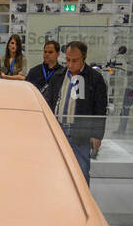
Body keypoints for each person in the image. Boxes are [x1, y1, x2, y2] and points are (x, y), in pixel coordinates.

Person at [41, 40, 107, 184]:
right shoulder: (59, 75)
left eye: (75, 60)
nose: (70, 64)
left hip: (80, 133)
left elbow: (100, 109)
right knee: (56, 172)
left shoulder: (95, 79)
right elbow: (50, 101)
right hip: (58, 130)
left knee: (81, 173)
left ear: (84, 57)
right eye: (68, 60)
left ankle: (82, 206)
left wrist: (97, 135)